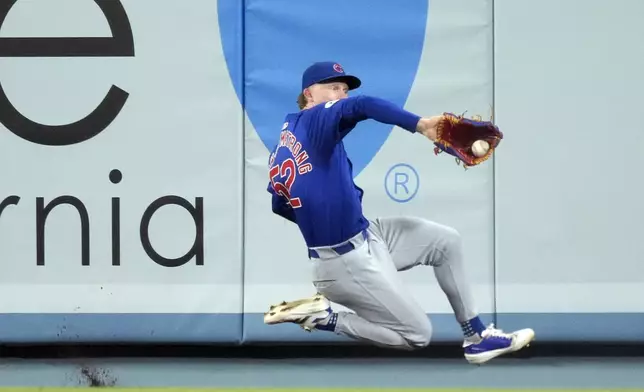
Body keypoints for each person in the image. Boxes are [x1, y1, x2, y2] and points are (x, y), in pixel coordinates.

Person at [263, 61, 534, 365]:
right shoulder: (315, 120)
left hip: (365, 236)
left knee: (445, 242)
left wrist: (323, 218)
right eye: (333, 87)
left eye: (344, 88)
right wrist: (420, 125)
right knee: (417, 335)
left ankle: (477, 337)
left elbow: (279, 203)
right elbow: (363, 105)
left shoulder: (288, 137)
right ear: (309, 94)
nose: (341, 93)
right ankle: (325, 318)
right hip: (344, 263)